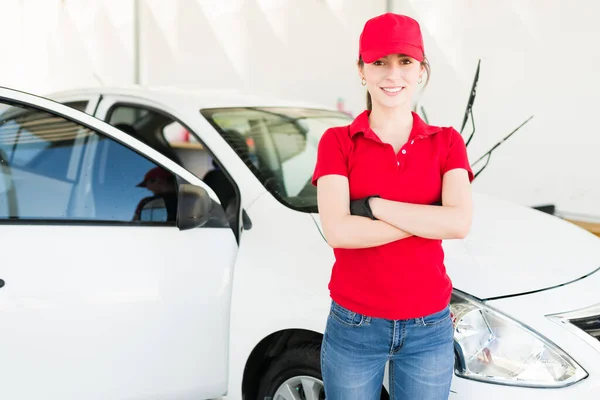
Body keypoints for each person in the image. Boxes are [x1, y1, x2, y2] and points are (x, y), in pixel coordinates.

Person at [312, 13, 474, 400]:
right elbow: (338, 231)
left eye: (405, 62)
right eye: (379, 62)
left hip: (429, 327)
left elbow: (459, 223)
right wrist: (428, 218)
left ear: (421, 71)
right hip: (354, 325)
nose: (392, 74)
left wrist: (373, 206)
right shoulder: (337, 142)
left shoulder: (447, 142)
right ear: (361, 71)